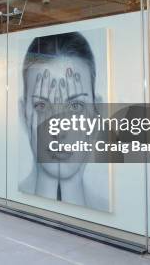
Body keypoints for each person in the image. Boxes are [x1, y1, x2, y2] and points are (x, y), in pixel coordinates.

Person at [19, 31, 109, 212]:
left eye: (75, 106)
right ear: (23, 114)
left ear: (96, 112)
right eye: (42, 106)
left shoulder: (107, 207)